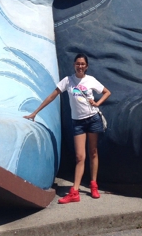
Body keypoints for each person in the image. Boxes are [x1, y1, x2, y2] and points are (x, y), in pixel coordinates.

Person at [24, 53, 111, 204]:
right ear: (74, 65)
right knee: (79, 157)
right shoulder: (68, 81)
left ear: (87, 66)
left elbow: (107, 92)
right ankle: (75, 192)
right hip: (78, 122)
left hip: (92, 119)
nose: (80, 66)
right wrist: (35, 112)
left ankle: (93, 185)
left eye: (83, 64)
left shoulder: (90, 80)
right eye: (77, 63)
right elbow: (52, 96)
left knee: (93, 152)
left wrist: (98, 103)